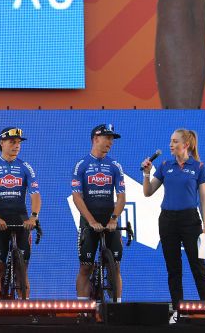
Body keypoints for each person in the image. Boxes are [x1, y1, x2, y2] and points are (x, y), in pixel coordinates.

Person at [141, 129, 205, 309]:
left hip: (190, 220)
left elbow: (204, 199)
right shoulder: (165, 165)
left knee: (198, 267)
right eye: (170, 141)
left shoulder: (199, 167)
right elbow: (148, 192)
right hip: (167, 221)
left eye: (174, 141)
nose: (170, 145)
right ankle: (178, 310)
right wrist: (147, 173)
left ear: (185, 145)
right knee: (174, 269)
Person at [0, 127, 41, 299]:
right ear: (2, 143)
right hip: (0, 220)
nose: (17, 146)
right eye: (12, 142)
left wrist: (34, 217)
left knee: (22, 270)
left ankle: (25, 309)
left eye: (19, 143)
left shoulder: (25, 167)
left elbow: (35, 194)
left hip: (21, 220)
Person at [72, 124, 126, 300]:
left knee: (116, 266)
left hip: (109, 218)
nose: (110, 142)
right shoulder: (81, 165)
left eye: (112, 139)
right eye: (107, 138)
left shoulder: (115, 166)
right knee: (85, 267)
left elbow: (121, 197)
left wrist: (114, 219)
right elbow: (77, 197)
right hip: (89, 219)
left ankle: (117, 305)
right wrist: (90, 221)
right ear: (96, 138)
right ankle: (82, 309)